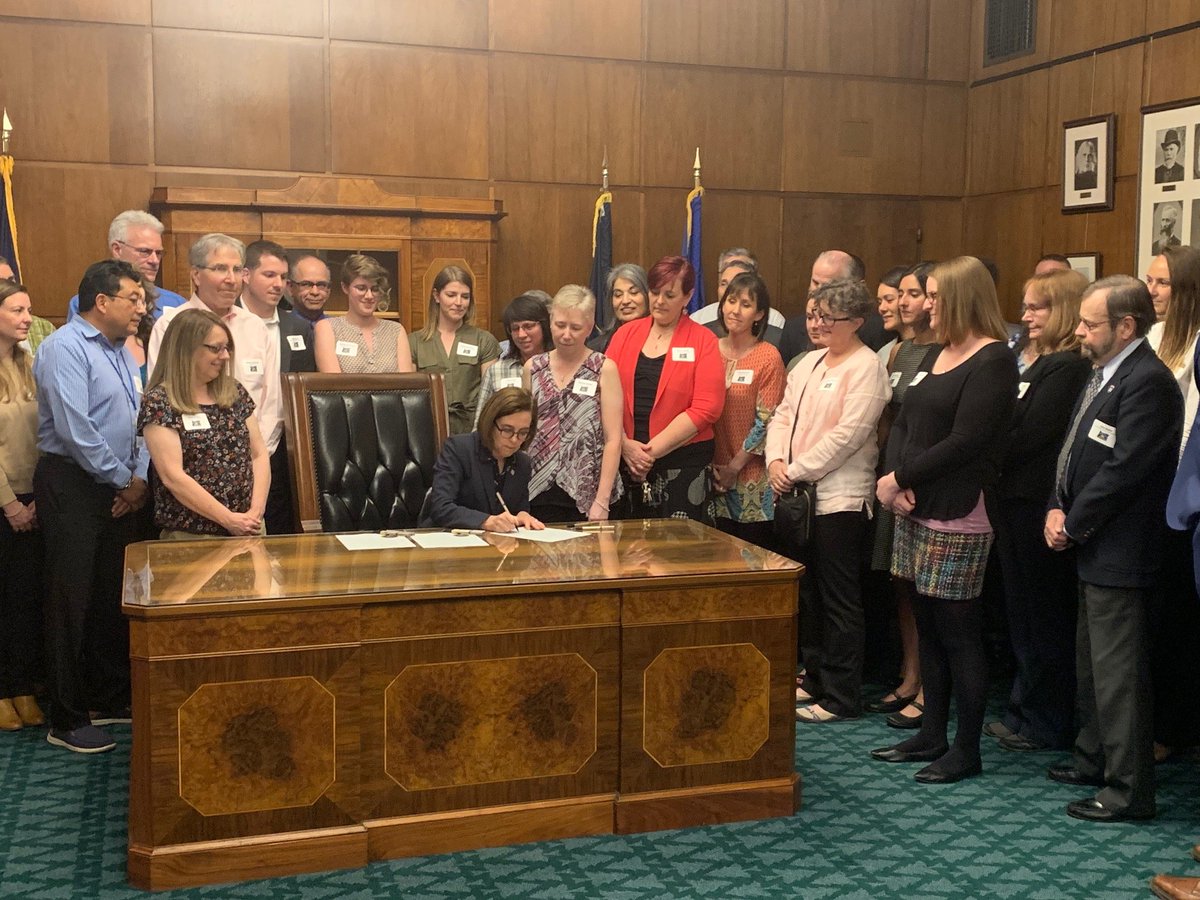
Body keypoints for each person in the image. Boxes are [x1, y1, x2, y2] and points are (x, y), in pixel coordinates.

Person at [873, 256, 1018, 784]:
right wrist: (897, 478)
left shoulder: (994, 361)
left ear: (961, 298)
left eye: (934, 296)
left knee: (959, 633)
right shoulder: (938, 352)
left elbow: (967, 442)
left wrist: (903, 477)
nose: (926, 304)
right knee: (929, 628)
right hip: (915, 505)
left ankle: (967, 748)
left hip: (959, 510)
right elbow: (907, 421)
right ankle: (931, 733)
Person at [1044, 275, 1182, 822]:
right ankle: (1092, 757)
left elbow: (1125, 471)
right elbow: (1075, 449)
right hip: (1091, 541)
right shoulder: (1104, 374)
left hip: (1122, 548)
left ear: (1126, 327)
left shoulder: (1148, 382)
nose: (1078, 331)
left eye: (1088, 323)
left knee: (1118, 674)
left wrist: (1072, 522)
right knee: (1092, 664)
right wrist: (1057, 504)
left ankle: (1128, 791)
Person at [35, 260, 151, 753]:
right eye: (134, 299)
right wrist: (124, 479)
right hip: (73, 484)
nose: (142, 309)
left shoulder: (122, 349)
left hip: (121, 485)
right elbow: (74, 430)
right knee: (70, 601)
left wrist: (140, 477)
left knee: (110, 595)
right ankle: (65, 715)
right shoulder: (63, 348)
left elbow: (142, 412)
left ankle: (107, 697)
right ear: (102, 301)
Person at [766, 278, 890, 723]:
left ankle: (841, 695)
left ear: (857, 322)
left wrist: (795, 470)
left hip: (841, 499)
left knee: (840, 598)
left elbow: (848, 436)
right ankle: (814, 678)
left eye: (827, 318)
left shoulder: (867, 368)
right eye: (814, 314)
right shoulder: (810, 362)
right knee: (810, 593)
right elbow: (782, 414)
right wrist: (777, 460)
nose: (816, 324)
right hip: (799, 496)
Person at [988, 268, 1091, 752]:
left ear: (1065, 311)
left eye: (1037, 307)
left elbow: (1029, 433)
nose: (1025, 316)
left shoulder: (1068, 367)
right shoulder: (1033, 361)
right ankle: (1023, 708)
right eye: (1025, 306)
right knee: (1020, 611)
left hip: (1036, 503)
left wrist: (988, 443)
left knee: (1043, 611)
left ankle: (1046, 718)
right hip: (1011, 499)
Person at [867, 262, 941, 723]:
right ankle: (910, 673)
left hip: (921, 483)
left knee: (926, 589)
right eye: (903, 294)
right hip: (890, 477)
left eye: (914, 294)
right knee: (900, 583)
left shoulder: (943, 352)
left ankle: (931, 685)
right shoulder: (895, 351)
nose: (905, 302)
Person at [148, 234, 279, 483]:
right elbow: (161, 401)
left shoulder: (255, 327)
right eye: (220, 269)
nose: (231, 279)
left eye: (237, 269)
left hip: (250, 471)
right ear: (196, 275)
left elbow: (271, 403)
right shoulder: (170, 326)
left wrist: (256, 458)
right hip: (188, 472)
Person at [606, 255, 725, 522]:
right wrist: (625, 446)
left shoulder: (703, 341)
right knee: (628, 554)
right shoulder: (625, 335)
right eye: (654, 292)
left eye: (669, 295)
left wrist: (648, 454)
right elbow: (604, 395)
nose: (659, 301)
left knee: (677, 556)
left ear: (687, 297)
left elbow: (707, 408)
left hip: (682, 467)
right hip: (626, 463)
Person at [139, 309, 270, 538]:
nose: (225, 356)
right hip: (192, 535)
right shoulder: (160, 402)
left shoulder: (234, 391)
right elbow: (172, 477)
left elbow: (258, 454)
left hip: (248, 527)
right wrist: (228, 519)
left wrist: (255, 512)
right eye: (215, 348)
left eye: (227, 347)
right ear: (186, 349)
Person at [1145, 246, 1200, 763]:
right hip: (1149, 492)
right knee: (1158, 620)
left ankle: (1177, 727)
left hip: (1182, 494)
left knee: (1181, 621)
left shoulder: (1196, 340)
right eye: (1149, 281)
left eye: (1161, 282)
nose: (1152, 291)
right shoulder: (1153, 337)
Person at [237, 240, 316, 534]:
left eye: (283, 277)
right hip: (234, 444)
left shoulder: (298, 327)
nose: (278, 284)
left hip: (283, 446)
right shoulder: (225, 319)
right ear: (246, 275)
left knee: (281, 528)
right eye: (269, 275)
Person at [525, 285, 622, 523]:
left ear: (589, 328)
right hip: (537, 490)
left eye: (575, 327)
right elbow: (523, 433)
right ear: (550, 322)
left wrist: (602, 500)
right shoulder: (533, 368)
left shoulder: (603, 368)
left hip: (588, 492)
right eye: (560, 325)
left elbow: (613, 439)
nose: (566, 334)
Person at [711, 272, 786, 547]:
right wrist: (718, 470)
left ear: (759, 314)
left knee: (751, 561)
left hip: (752, 476)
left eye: (745, 304)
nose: (735, 310)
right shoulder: (709, 349)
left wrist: (734, 468)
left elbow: (767, 421)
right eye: (731, 301)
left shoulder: (768, 356)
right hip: (712, 474)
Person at [0, 280, 45, 731]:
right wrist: (11, 505)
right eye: (16, 310)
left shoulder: (30, 364)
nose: (26, 318)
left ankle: (24, 686)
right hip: (4, 501)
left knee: (25, 599)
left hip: (35, 496)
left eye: (28, 310)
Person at [421, 386, 544, 532]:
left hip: (498, 546)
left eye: (523, 433)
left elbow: (517, 510)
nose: (514, 440)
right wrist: (485, 521)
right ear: (490, 423)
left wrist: (522, 516)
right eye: (507, 430)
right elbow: (441, 507)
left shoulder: (523, 463)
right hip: (447, 543)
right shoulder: (459, 449)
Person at [410, 265, 500, 434]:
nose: (458, 303)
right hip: (429, 429)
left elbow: (491, 395)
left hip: (472, 431)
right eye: (451, 295)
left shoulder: (484, 340)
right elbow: (409, 397)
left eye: (465, 296)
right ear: (437, 296)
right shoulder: (415, 342)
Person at [66, 210, 186, 321]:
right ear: (117, 250)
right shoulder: (87, 303)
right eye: (145, 251)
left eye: (158, 253)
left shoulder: (177, 304)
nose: (154, 261)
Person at [315, 253, 413, 376]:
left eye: (375, 289)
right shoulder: (328, 328)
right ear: (345, 287)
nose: (369, 296)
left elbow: (406, 385)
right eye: (361, 288)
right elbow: (334, 386)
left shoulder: (396, 331)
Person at [474, 293, 551, 428]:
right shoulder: (497, 371)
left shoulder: (558, 367)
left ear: (544, 326)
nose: (521, 334)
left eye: (528, 326)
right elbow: (481, 423)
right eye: (515, 328)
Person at [691, 248, 786, 344]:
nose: (729, 291)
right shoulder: (698, 320)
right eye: (724, 284)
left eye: (736, 284)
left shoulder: (774, 321)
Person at [588, 263, 649, 353]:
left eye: (634, 292)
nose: (625, 301)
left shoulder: (661, 341)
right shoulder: (596, 348)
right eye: (618, 295)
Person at [287, 254, 333, 325]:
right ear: (290, 288)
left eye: (321, 285)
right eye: (306, 284)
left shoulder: (339, 331)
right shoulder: (279, 329)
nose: (315, 292)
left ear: (329, 290)